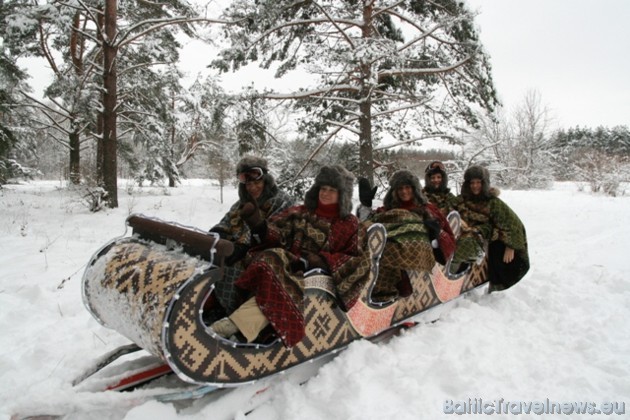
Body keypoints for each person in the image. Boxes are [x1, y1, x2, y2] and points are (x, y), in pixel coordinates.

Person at [211, 165, 372, 346]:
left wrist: (321, 261)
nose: (325, 193)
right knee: (269, 258)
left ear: (342, 194)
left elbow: (358, 262)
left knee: (279, 270)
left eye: (332, 190)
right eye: (323, 188)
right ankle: (237, 324)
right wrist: (260, 226)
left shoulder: (350, 224)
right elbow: (279, 234)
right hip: (286, 266)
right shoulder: (300, 212)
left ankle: (234, 325)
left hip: (317, 276)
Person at [208, 156, 295, 313]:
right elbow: (227, 222)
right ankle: (209, 301)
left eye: (257, 182)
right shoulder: (242, 202)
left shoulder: (282, 200)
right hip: (239, 248)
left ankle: (232, 312)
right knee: (213, 260)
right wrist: (218, 234)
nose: (252, 187)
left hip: (271, 252)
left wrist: (243, 246)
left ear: (266, 181)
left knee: (233, 267)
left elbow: (280, 234)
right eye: (248, 183)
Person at [357, 170, 456, 302]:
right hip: (388, 245)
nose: (404, 192)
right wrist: (366, 205)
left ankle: (387, 292)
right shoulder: (388, 209)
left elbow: (450, 240)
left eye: (407, 187)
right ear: (394, 191)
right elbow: (371, 226)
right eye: (400, 188)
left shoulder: (428, 209)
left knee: (384, 253)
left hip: (415, 254)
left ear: (414, 189)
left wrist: (435, 236)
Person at [453, 165, 529, 292]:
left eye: (478, 182)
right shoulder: (461, 200)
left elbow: (512, 223)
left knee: (467, 243)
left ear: (484, 183)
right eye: (472, 182)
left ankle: (455, 275)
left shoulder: (493, 203)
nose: (475, 186)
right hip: (461, 232)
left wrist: (510, 245)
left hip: (483, 236)